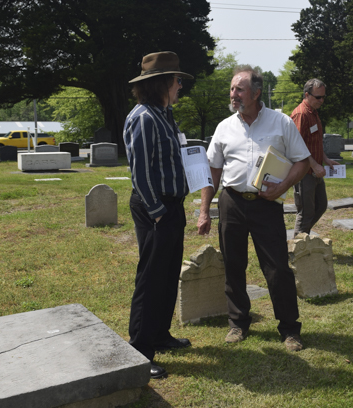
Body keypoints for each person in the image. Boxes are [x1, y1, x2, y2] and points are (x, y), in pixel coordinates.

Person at [197, 66, 311, 351]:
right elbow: (212, 171)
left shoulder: (281, 122)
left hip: (267, 204)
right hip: (231, 202)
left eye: (239, 89)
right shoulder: (224, 127)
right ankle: (237, 324)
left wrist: (282, 187)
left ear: (257, 93)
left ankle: (289, 329)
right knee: (234, 265)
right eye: (232, 89)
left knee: (277, 268)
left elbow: (303, 161)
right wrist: (203, 210)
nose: (233, 95)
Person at [123, 51, 193, 380]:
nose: (180, 85)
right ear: (162, 83)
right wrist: (158, 212)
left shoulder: (164, 115)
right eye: (176, 80)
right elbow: (140, 171)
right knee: (150, 280)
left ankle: (160, 335)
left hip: (171, 206)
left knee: (167, 275)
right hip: (156, 207)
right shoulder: (143, 117)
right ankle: (140, 350)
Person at [290, 79, 339, 235]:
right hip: (304, 172)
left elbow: (314, 142)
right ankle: (296, 250)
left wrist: (325, 159)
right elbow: (296, 146)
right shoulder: (301, 114)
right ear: (306, 95)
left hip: (315, 170)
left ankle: (302, 240)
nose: (321, 101)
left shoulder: (314, 112)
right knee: (306, 213)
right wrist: (314, 165)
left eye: (323, 97)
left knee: (320, 206)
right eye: (318, 97)